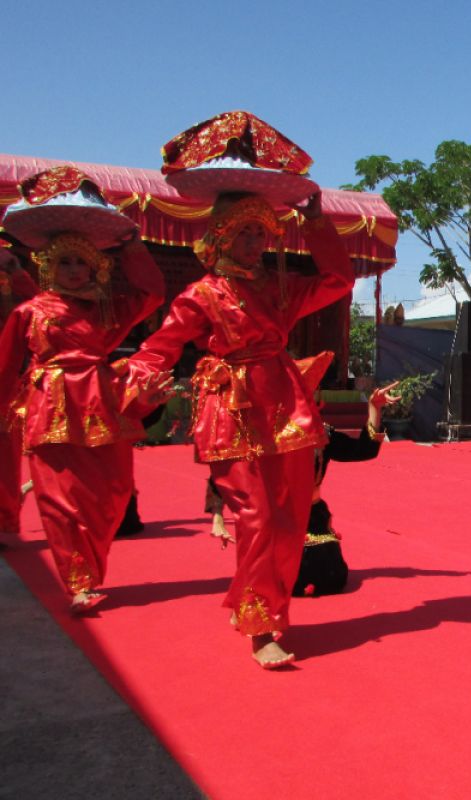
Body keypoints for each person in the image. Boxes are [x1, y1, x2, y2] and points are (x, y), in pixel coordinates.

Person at [123, 111, 354, 668]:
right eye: (243, 231)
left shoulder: (279, 290)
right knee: (257, 517)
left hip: (287, 405)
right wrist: (143, 379)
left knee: (293, 515)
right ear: (221, 235)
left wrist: (317, 224)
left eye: (260, 231)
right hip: (231, 407)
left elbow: (338, 280)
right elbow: (161, 345)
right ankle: (260, 626)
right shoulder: (202, 295)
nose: (253, 241)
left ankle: (257, 601)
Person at [0, 167, 164, 611]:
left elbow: (152, 292)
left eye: (81, 262)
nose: (73, 271)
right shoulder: (30, 311)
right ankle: (78, 582)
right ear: (48, 267)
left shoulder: (108, 309)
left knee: (113, 492)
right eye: (64, 262)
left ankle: (91, 566)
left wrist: (132, 246)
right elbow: (4, 365)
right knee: (57, 498)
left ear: (95, 266)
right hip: (48, 405)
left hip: (102, 403)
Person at [205, 351, 400, 597]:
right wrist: (218, 518)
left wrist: (374, 407)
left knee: (331, 578)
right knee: (282, 580)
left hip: (313, 519)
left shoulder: (321, 434)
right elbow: (225, 472)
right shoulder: (262, 434)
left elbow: (363, 449)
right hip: (277, 523)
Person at [0, 245, 38, 541]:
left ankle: (3, 523)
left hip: (6, 384)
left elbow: (44, 307)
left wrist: (15, 271)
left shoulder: (16, 298)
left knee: (5, 459)